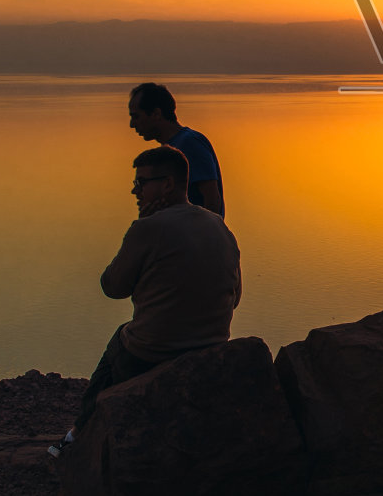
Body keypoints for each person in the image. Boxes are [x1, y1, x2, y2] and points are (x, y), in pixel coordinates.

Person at [49, 146, 240, 455]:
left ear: (167, 184)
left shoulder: (147, 228)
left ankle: (77, 437)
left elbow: (112, 286)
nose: (135, 191)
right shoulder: (219, 226)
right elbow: (236, 297)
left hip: (154, 351)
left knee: (120, 341)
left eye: (141, 183)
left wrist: (139, 230)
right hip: (212, 345)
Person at [128, 82, 225, 216]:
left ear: (156, 113)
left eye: (136, 116)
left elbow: (212, 200)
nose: (132, 124)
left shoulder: (189, 143)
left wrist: (204, 233)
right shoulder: (170, 148)